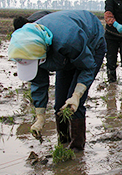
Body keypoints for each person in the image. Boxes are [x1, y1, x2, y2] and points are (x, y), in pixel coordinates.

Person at [8, 10, 106, 151]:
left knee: (73, 105)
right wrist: (40, 116)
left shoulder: (68, 40)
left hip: (90, 45)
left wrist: (77, 95)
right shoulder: (30, 46)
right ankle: (63, 144)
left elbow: (88, 67)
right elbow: (38, 82)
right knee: (60, 103)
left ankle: (76, 151)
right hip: (62, 53)